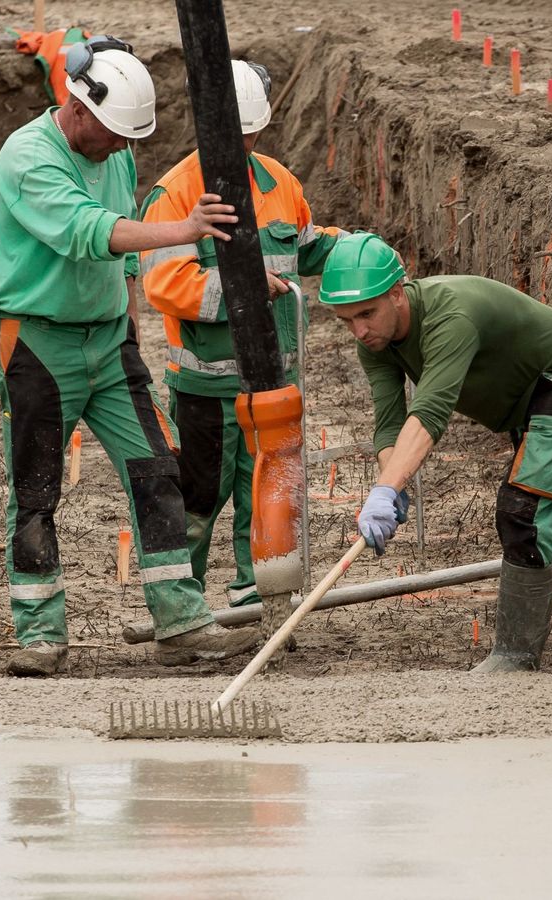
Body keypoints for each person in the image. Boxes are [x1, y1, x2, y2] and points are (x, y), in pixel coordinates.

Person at [0, 36, 258, 676]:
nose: (122, 149)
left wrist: (128, 319)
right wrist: (187, 229)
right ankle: (41, 636)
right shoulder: (28, 157)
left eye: (131, 139)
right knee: (36, 488)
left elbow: (123, 244)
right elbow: (90, 233)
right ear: (77, 108)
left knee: (157, 469)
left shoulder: (116, 151)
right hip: (37, 343)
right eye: (113, 135)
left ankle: (181, 622)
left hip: (108, 342)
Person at [319, 233, 552, 674]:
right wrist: (391, 488)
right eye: (346, 321)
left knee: (524, 510)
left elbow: (430, 412)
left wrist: (385, 487)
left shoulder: (448, 316)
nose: (359, 331)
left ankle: (515, 657)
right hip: (524, 401)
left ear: (397, 293)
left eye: (366, 314)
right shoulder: (376, 342)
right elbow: (389, 422)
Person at [139, 60, 343, 623]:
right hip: (207, 389)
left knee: (267, 502)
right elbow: (167, 283)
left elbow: (302, 243)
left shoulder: (279, 183)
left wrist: (347, 249)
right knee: (199, 503)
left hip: (273, 385)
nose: (244, 144)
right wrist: (246, 291)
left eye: (252, 134)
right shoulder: (176, 194)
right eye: (236, 135)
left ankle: (260, 603)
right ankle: (184, 613)